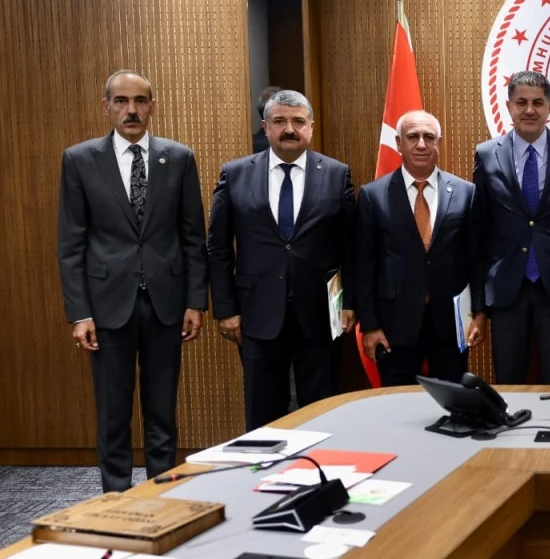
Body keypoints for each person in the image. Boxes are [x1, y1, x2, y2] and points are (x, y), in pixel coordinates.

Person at [57, 70, 207, 491]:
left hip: (166, 304)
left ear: (152, 106)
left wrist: (196, 301)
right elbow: (71, 244)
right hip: (106, 307)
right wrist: (79, 313)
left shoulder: (178, 157)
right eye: (121, 101)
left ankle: (162, 495)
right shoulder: (80, 159)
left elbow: (193, 236)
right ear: (106, 106)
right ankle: (116, 499)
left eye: (140, 101)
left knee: (162, 412)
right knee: (113, 413)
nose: (131, 110)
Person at [207, 89, 356, 429]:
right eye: (279, 121)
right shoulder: (235, 174)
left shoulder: (337, 174)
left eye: (298, 121)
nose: (289, 129)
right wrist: (226, 309)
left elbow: (350, 246)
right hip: (256, 313)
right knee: (263, 412)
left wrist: (349, 302)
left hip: (321, 314)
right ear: (265, 127)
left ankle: (318, 464)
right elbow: (218, 249)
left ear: (311, 127)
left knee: (321, 411)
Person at [467, 71, 550, 384]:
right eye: (521, 102)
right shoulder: (487, 154)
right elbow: (478, 231)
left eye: (538, 102)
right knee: (508, 381)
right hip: (506, 287)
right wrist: (478, 304)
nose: (529, 110)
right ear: (509, 106)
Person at [355, 110, 475, 386]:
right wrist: (370, 326)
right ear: (399, 143)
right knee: (396, 403)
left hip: (450, 324)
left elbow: (475, 258)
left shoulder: (465, 192)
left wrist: (478, 314)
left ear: (438, 143)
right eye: (413, 137)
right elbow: (364, 266)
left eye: (429, 137)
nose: (421, 144)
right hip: (394, 325)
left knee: (453, 400)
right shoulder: (373, 196)